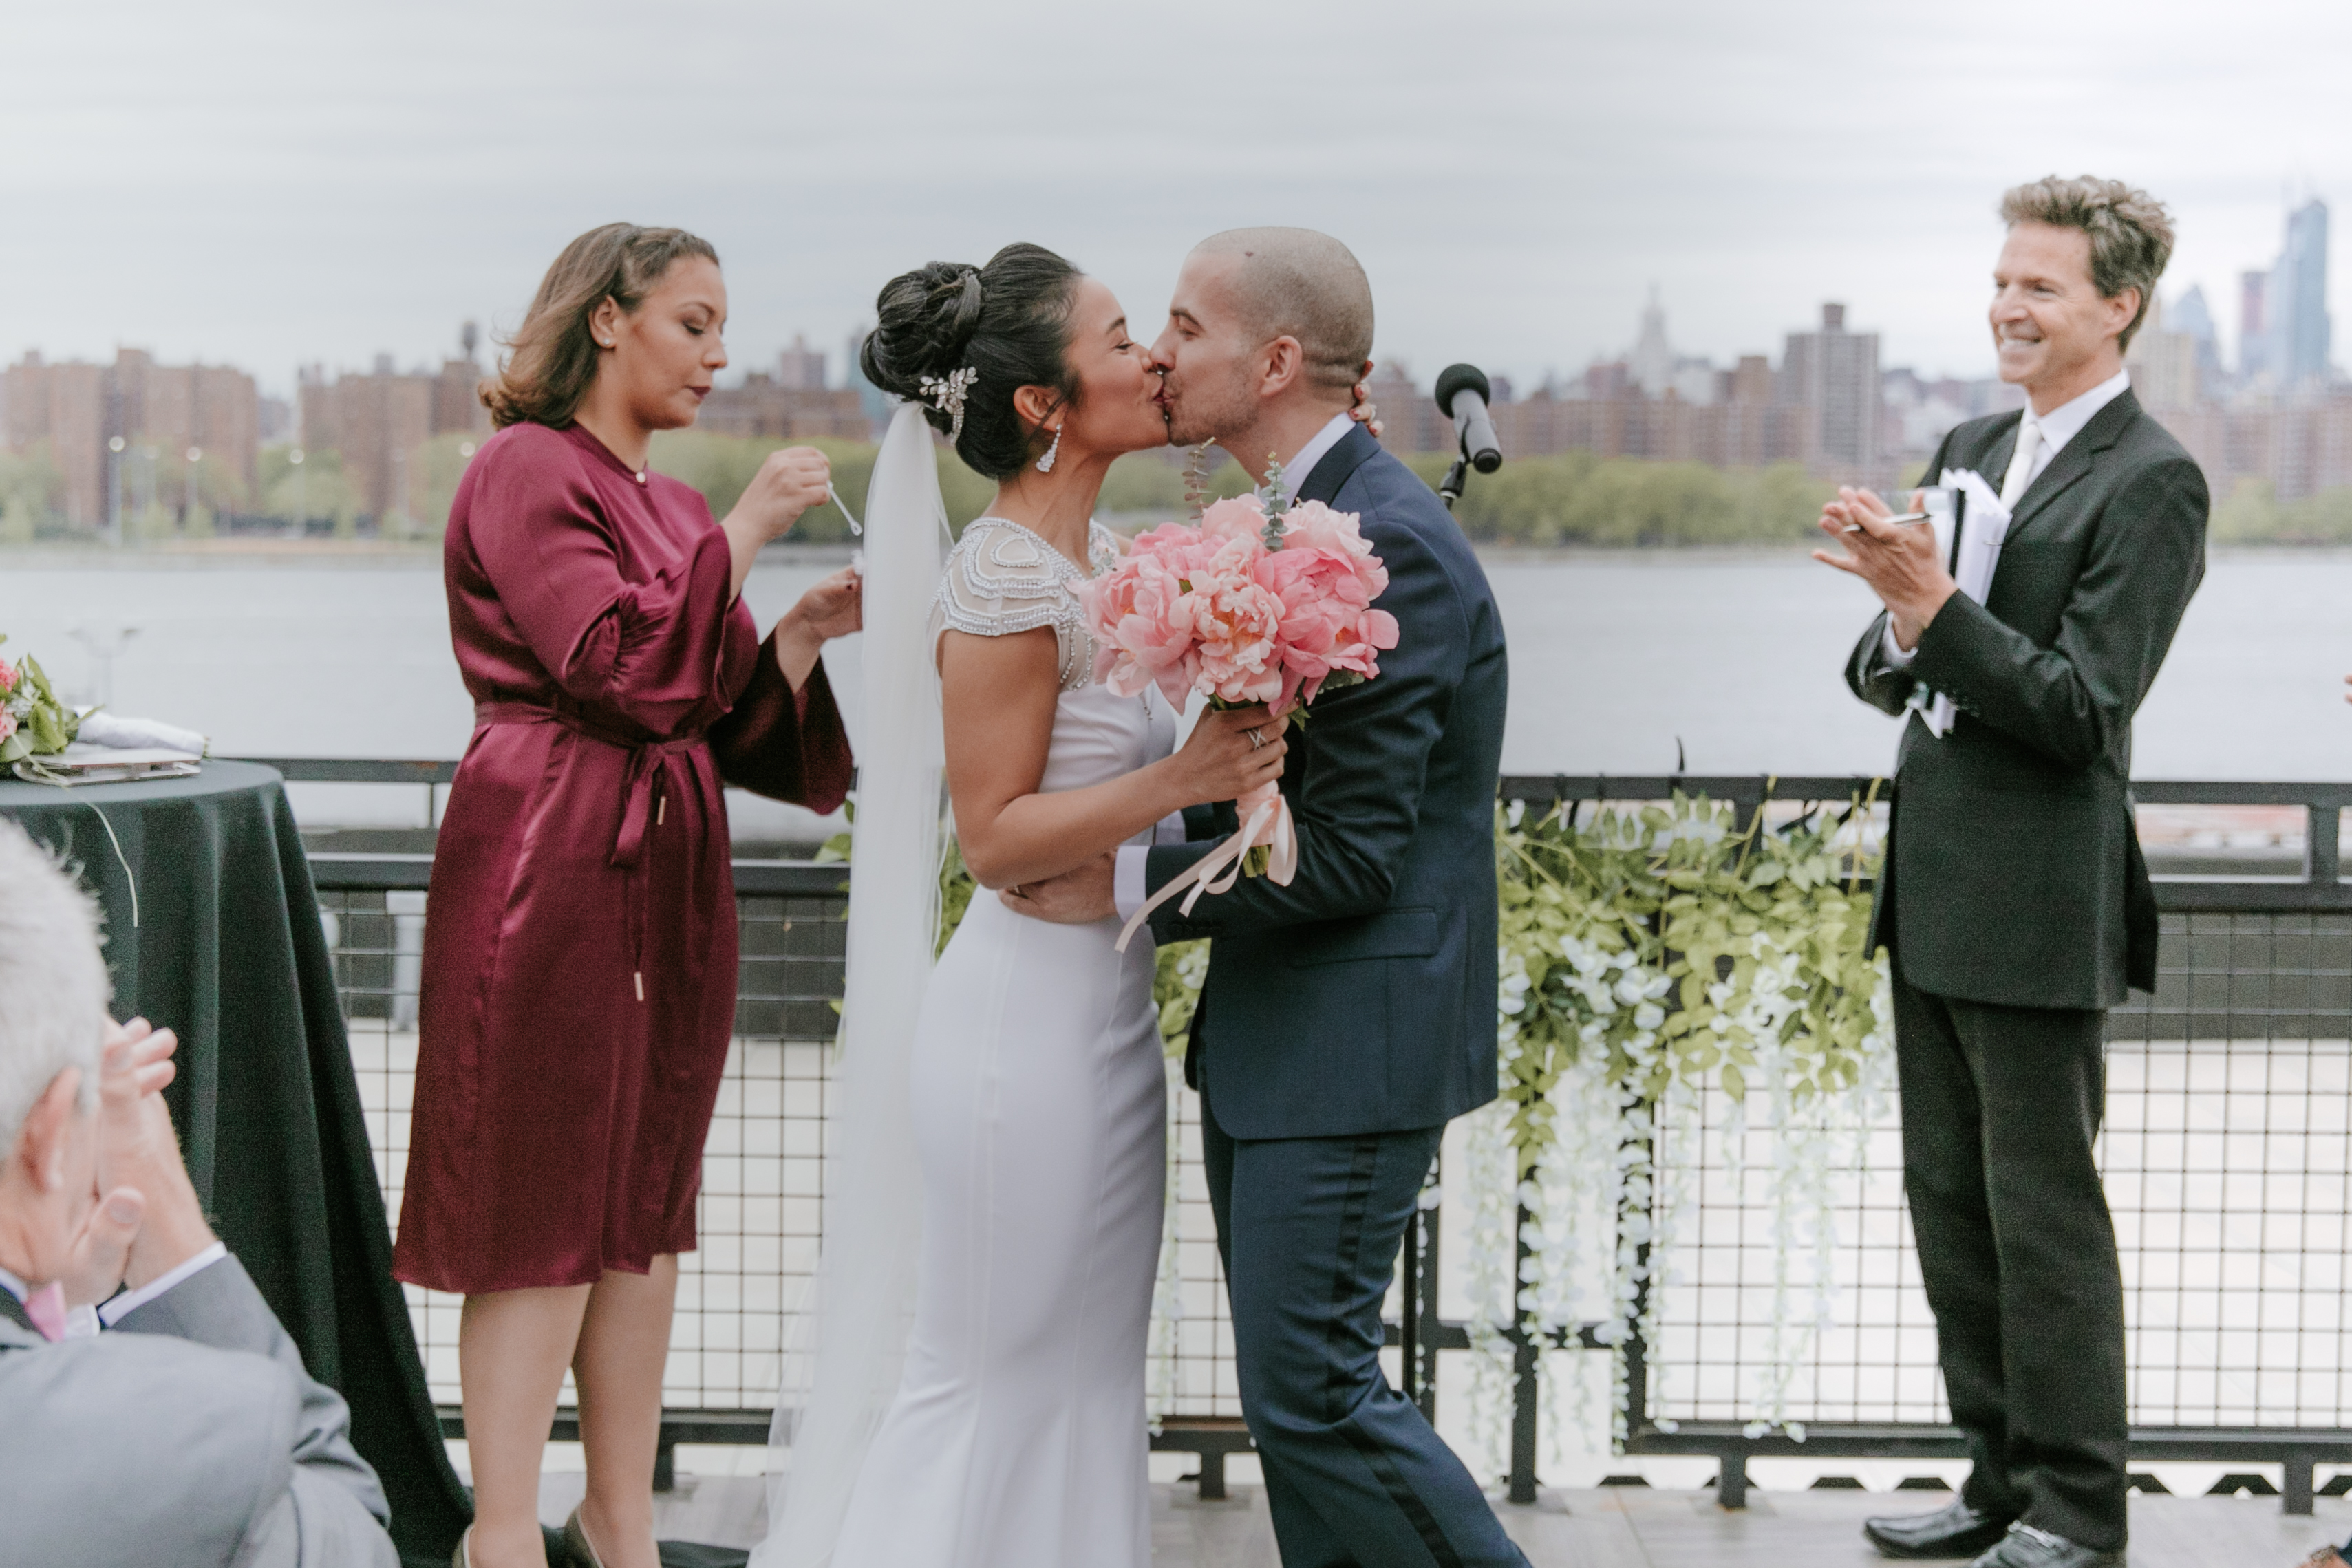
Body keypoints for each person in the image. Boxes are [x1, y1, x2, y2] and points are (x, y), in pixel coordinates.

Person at [754, 243, 1287, 1568]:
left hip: (1101, 1016)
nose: (1151, 359)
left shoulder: (1102, 558)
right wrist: (1181, 773)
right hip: (1016, 1041)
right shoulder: (998, 580)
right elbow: (991, 839)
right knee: (984, 1375)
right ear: (1045, 404)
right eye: (1119, 341)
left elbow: (1109, 798)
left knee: (1083, 1380)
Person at [1012, 226, 1525, 1568]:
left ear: (1277, 358)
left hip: (1349, 1045)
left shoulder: (1388, 545)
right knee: (1292, 1405)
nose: (1160, 354)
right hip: (1278, 1039)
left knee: (1315, 1390)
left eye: (1183, 326)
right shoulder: (1290, 522)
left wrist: (1122, 875)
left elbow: (1349, 850)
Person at [389, 222, 859, 1568]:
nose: (718, 354)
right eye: (692, 322)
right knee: (540, 1205)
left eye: (724, 329)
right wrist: (753, 522)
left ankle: (619, 1515)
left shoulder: (659, 499)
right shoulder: (524, 468)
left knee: (639, 1199)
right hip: (548, 856)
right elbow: (611, 665)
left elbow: (713, 715)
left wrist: (800, 637)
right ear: (607, 319)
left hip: (665, 870)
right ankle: (500, 1533)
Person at [1817, 178, 2207, 1568]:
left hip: (2040, 900)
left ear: (2117, 304)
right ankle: (1992, 1476)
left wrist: (1931, 608)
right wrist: (1891, 604)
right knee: (1949, 1205)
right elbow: (1891, 669)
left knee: (2043, 1223)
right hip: (1929, 889)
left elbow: (2083, 708)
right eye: (2000, 279)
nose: (2005, 304)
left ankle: (2077, 1512)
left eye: (2038, 285)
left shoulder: (2151, 476)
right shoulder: (1973, 440)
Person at [0, 819, 398, 1567]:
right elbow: (347, 1536)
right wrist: (156, 1187)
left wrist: (44, 1303)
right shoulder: (178, 1452)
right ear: (49, 1135)